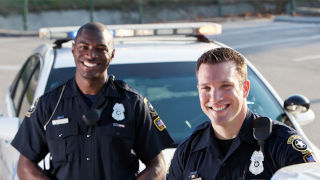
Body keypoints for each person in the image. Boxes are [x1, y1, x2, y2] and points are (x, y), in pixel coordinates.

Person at [11, 22, 173, 180]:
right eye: (84, 47)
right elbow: (24, 165)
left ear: (112, 54)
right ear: (73, 50)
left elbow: (158, 165)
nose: (91, 55)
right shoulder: (49, 104)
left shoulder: (133, 103)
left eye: (100, 49)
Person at [167, 47, 315, 180]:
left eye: (226, 86)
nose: (215, 98)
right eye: (206, 88)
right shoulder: (187, 152)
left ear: (245, 88)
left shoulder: (282, 144)